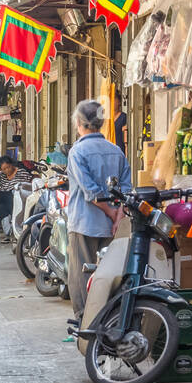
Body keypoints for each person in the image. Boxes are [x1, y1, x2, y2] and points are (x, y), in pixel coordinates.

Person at [66, 99, 131, 319]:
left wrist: (111, 212)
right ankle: (110, 317)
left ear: (79, 122)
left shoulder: (77, 152)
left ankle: (85, 321)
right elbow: (126, 190)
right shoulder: (116, 151)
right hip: (112, 227)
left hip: (84, 223)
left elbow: (90, 190)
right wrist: (117, 216)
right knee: (109, 273)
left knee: (80, 274)